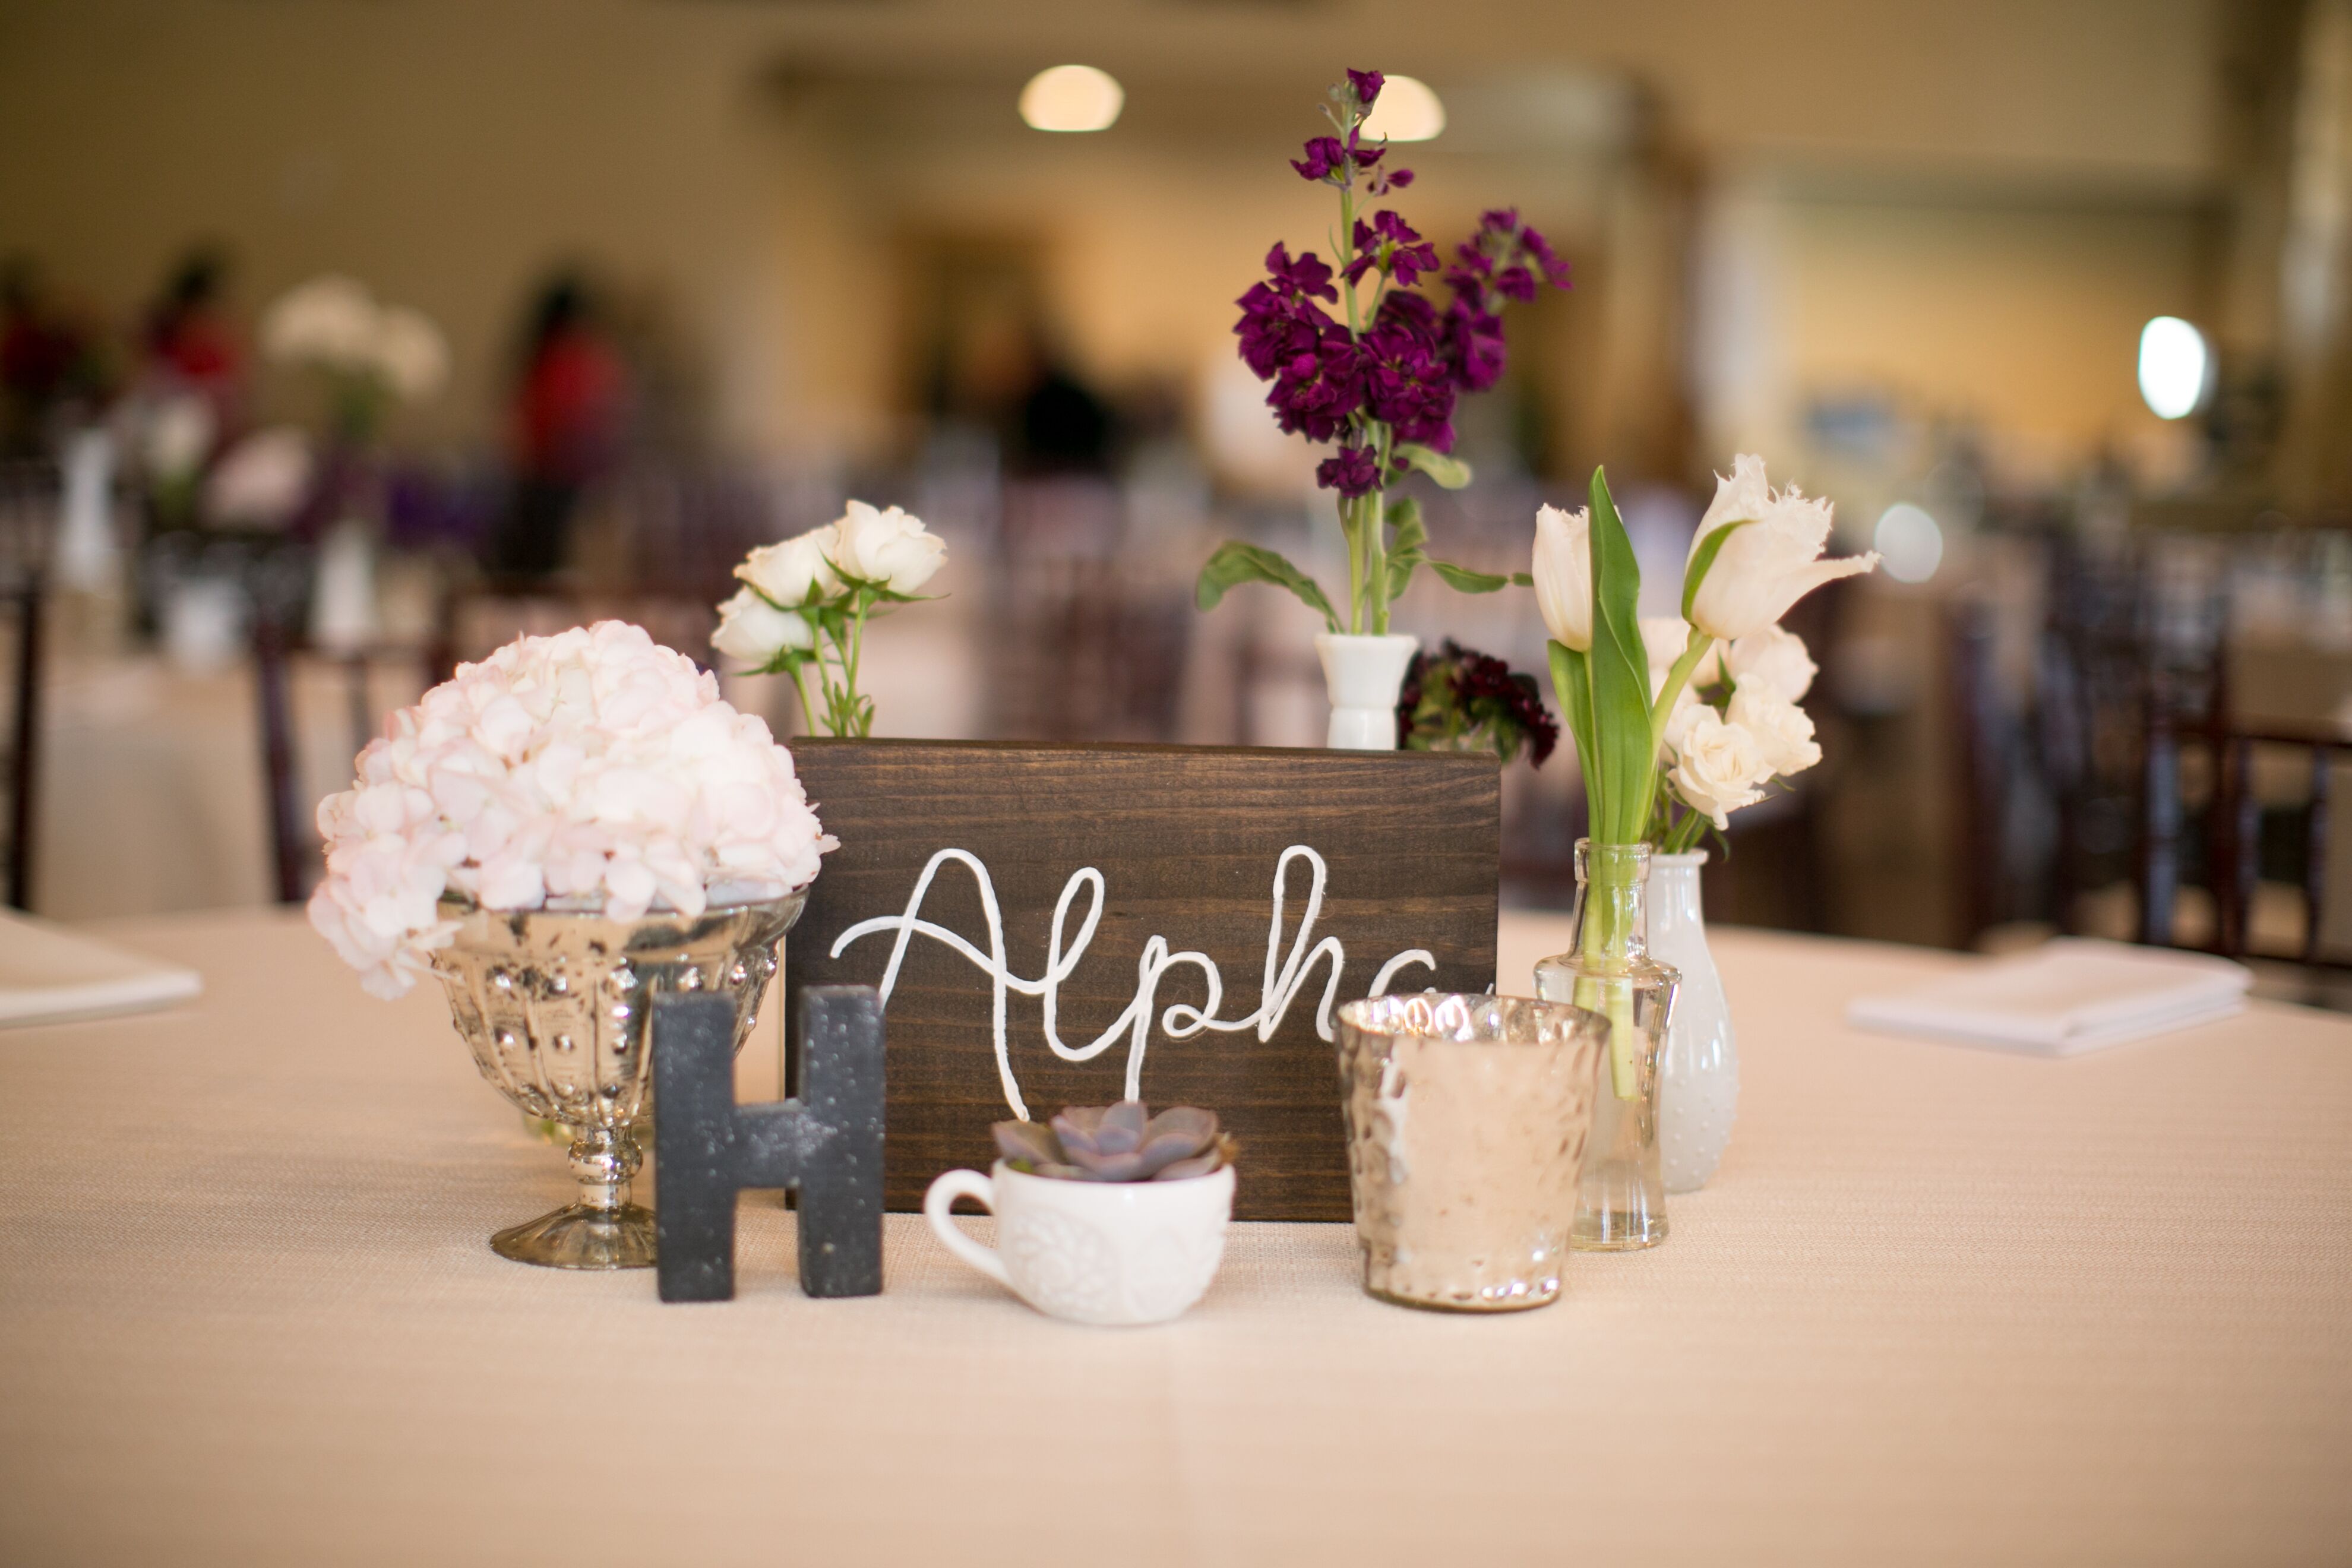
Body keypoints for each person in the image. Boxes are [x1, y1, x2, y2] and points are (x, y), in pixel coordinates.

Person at [497, 273, 626, 576]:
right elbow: (586, 420)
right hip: (563, 482)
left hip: (538, 478)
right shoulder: (572, 358)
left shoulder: (536, 356)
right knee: (557, 566)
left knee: (538, 567)